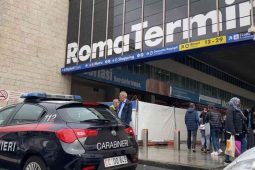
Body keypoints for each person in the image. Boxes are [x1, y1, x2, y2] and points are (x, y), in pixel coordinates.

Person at [224, 97, 247, 164]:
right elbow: (230, 120)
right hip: (232, 131)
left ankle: (239, 158)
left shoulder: (238, 109)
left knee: (238, 144)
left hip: (239, 131)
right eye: (238, 101)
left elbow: (242, 118)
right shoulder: (230, 109)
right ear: (235, 101)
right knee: (230, 144)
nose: (239, 103)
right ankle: (227, 160)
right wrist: (232, 130)